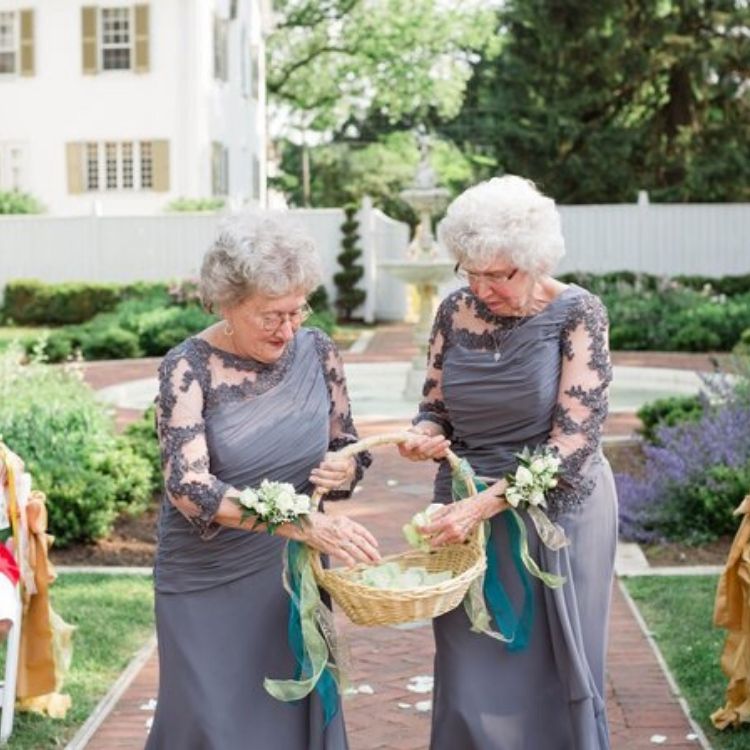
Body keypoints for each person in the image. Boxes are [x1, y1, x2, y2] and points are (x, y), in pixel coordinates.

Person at [399, 175, 618, 749]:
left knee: (551, 674)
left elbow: (573, 445)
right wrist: (424, 434)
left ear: (535, 259)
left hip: (556, 517)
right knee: (472, 679)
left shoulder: (579, 314)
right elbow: (435, 406)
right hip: (462, 520)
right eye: (471, 273)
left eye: (500, 274)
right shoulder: (453, 312)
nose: (483, 288)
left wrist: (485, 504)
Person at [146, 213, 379, 750]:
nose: (288, 328)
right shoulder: (187, 368)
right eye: (270, 315)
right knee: (214, 722)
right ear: (226, 304)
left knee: (292, 716)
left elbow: (348, 445)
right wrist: (300, 522)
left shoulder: (318, 351)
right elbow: (188, 486)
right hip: (207, 576)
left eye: (297, 310)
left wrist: (345, 467)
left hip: (291, 572)